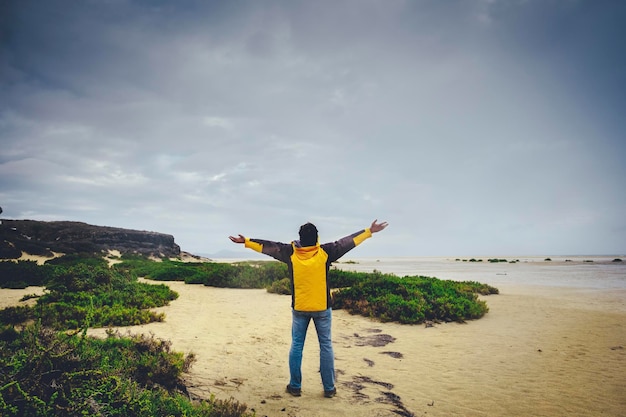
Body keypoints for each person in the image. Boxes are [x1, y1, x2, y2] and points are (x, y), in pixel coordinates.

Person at [228, 219, 389, 398]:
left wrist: (247, 242)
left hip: (300, 308)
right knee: (326, 346)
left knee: (297, 345)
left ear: (300, 239)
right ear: (316, 238)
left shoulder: (290, 252)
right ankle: (329, 389)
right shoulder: (326, 252)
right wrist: (369, 231)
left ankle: (295, 386)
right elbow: (347, 242)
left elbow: (269, 247)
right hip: (322, 308)